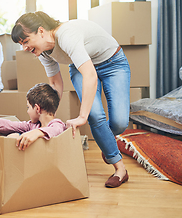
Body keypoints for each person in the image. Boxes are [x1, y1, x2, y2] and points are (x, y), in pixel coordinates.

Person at [11, 11, 130, 188]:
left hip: (113, 63)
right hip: (81, 67)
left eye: (26, 41)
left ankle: (108, 142)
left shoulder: (66, 35)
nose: (24, 48)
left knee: (120, 123)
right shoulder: (43, 53)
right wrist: (48, 116)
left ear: (41, 31)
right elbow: (56, 84)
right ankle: (120, 169)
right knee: (95, 115)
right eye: (21, 44)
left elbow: (90, 75)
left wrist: (81, 117)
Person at [0, 83, 66, 151]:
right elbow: (8, 125)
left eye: (28, 107)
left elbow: (56, 130)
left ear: (37, 109)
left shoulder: (57, 124)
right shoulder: (33, 126)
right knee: (13, 135)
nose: (27, 111)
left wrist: (38, 132)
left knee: (15, 136)